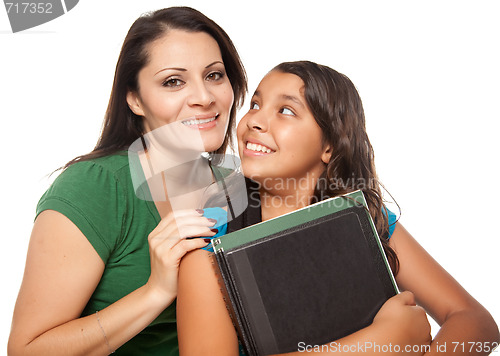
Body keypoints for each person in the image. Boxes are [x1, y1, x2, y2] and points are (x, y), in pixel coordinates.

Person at [176, 61, 500, 355]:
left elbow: (475, 322)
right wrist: (380, 344)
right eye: (256, 104)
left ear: (329, 146)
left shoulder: (368, 222)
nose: (254, 120)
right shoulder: (206, 250)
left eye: (286, 110)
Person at [8, 6, 247, 356]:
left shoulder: (242, 185)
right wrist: (156, 291)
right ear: (135, 99)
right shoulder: (95, 188)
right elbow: (27, 351)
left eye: (214, 75)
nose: (204, 97)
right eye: (173, 81)